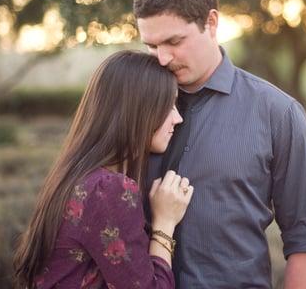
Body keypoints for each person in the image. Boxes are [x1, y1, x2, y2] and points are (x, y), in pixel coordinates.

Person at [134, 0, 306, 288]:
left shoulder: (278, 114)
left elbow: (305, 237)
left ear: (211, 23)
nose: (163, 59)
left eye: (174, 41)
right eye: (152, 46)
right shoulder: (132, 107)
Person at [13, 50, 193, 289]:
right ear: (139, 110)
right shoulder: (108, 189)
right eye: (168, 105)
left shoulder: (76, 176)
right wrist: (165, 223)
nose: (178, 117)